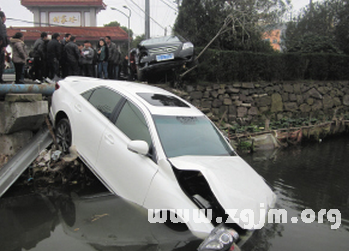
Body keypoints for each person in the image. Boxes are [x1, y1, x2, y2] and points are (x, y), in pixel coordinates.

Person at [0, 11, 8, 83]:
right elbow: (3, 35)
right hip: (1, 47)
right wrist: (4, 45)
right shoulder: (2, 25)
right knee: (1, 64)